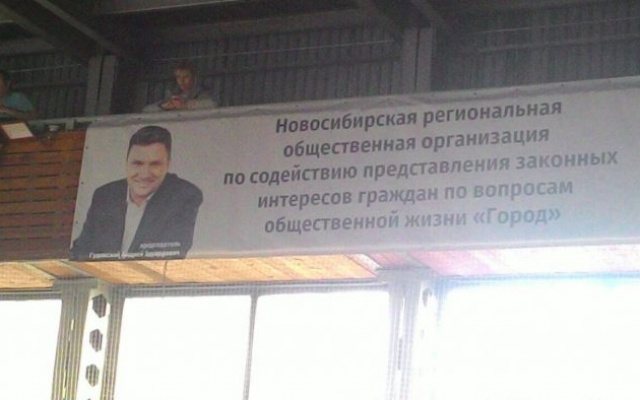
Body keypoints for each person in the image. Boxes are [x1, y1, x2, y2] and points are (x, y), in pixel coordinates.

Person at [71, 125, 203, 261]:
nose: (144, 174)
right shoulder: (105, 195)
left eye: (155, 164)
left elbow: (171, 255)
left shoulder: (184, 196)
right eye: (137, 163)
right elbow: (81, 250)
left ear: (168, 164)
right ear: (126, 162)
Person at [143, 62, 216, 112]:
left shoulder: (202, 91)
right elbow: (146, 110)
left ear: (194, 78)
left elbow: (212, 104)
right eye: (178, 77)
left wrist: (186, 105)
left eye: (186, 77)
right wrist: (163, 106)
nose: (181, 81)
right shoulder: (172, 92)